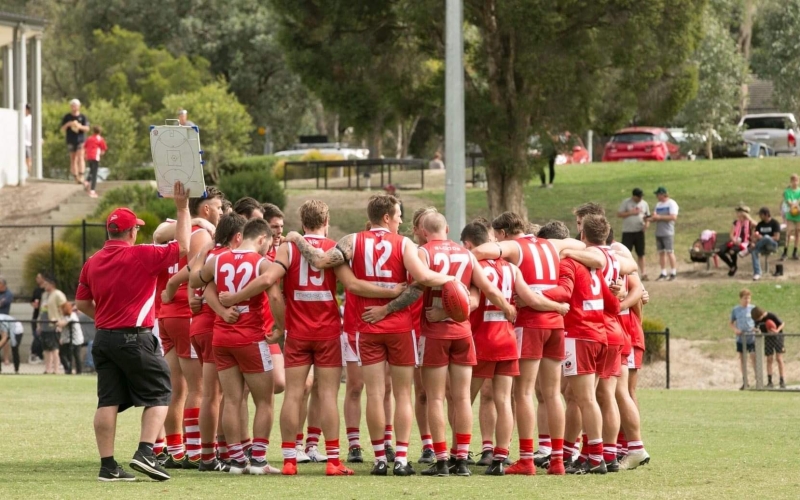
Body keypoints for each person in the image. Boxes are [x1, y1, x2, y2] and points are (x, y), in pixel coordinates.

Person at [285, 194, 456, 477]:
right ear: (387, 217)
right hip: (399, 327)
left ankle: (379, 458)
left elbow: (321, 260)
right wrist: (450, 280)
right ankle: (400, 458)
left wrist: (296, 237)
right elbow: (423, 280)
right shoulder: (405, 244)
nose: (401, 220)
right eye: (399, 215)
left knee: (374, 394)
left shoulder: (352, 240)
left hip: (367, 326)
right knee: (402, 394)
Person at [470, 212, 602, 476]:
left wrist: (486, 254)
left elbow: (480, 252)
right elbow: (594, 254)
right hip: (555, 324)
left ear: (504, 234)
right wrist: (566, 254)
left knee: (523, 393)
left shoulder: (514, 246)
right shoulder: (552, 244)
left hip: (530, 323)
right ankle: (557, 460)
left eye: (498, 236)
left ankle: (527, 459)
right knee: (552, 394)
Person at [76, 180, 190, 482]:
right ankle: (145, 452)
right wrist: (183, 209)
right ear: (131, 232)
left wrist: (104, 316)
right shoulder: (140, 254)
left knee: (107, 401)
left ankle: (108, 466)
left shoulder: (92, 261)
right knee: (161, 391)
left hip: (102, 339)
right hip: (135, 337)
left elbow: (81, 302)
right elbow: (184, 248)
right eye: (136, 228)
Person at [157, 187, 224, 468]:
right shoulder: (202, 235)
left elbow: (160, 232)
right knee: (198, 388)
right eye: (218, 208)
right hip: (185, 312)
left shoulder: (179, 228)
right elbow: (194, 268)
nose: (222, 212)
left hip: (168, 313)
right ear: (206, 209)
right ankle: (195, 452)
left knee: (178, 388)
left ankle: (176, 449)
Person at [617, 188, 650, 279]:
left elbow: (647, 216)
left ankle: (643, 273)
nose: (640, 198)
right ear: (634, 196)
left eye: (641, 197)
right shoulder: (626, 202)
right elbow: (619, 214)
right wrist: (631, 212)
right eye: (638, 197)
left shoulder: (644, 203)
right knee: (625, 253)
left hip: (639, 231)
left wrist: (646, 224)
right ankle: (625, 272)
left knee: (641, 253)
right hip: (628, 232)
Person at [751, 307, 786, 389]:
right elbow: (757, 328)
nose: (758, 320)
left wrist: (777, 330)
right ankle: (770, 381)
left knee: (779, 358)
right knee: (769, 359)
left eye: (759, 317)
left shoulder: (771, 315)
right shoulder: (757, 320)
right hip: (768, 338)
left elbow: (782, 323)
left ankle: (782, 380)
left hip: (778, 337)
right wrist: (755, 330)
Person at [717, 205, 755, 277]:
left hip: (745, 243)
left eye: (739, 212)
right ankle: (732, 265)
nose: (737, 214)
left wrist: (748, 217)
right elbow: (731, 234)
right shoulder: (735, 222)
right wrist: (734, 240)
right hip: (734, 241)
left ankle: (733, 267)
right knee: (719, 251)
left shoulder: (750, 223)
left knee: (732, 252)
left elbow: (756, 225)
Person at [651, 187, 679, 281]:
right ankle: (663, 272)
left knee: (670, 251)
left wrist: (659, 217)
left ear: (663, 194)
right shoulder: (658, 204)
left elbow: (673, 217)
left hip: (668, 231)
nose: (657, 196)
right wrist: (651, 218)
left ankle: (673, 272)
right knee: (661, 253)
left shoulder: (671, 203)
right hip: (659, 231)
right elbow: (655, 217)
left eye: (658, 194)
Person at [730, 289, 756, 390]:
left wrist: (755, 329)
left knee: (753, 357)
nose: (747, 300)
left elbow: (758, 320)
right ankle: (745, 381)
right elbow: (731, 323)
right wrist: (735, 330)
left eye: (749, 298)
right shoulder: (736, 310)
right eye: (745, 298)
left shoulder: (753, 309)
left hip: (751, 337)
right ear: (741, 299)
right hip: (741, 338)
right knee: (742, 359)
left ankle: (758, 379)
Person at [42, 274, 67, 375]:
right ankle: (48, 368)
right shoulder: (44, 295)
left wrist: (61, 321)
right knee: (46, 349)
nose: (44, 285)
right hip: (44, 324)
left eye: (46, 283)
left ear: (52, 284)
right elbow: (42, 310)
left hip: (54, 325)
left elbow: (65, 308)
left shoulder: (58, 294)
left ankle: (56, 369)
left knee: (54, 348)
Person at [60, 99, 90, 184]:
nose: (74, 107)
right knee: (73, 158)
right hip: (70, 139)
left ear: (79, 106)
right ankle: (75, 176)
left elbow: (87, 128)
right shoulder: (67, 117)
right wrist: (68, 124)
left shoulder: (83, 117)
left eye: (76, 105)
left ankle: (81, 175)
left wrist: (79, 126)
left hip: (80, 139)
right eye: (72, 105)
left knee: (80, 157)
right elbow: (62, 128)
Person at [750, 207, 781, 281]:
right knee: (754, 251)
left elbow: (776, 238)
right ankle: (757, 273)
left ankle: (748, 250)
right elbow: (755, 237)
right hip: (762, 246)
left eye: (761, 215)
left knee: (766, 237)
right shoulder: (760, 224)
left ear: (766, 214)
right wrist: (753, 241)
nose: (759, 217)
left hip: (772, 245)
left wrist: (763, 237)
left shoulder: (775, 223)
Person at [57, 301, 85, 375]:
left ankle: (78, 371)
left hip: (76, 339)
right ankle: (68, 369)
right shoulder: (65, 317)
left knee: (76, 355)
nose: (60, 311)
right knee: (62, 354)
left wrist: (57, 322)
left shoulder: (72, 316)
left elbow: (62, 324)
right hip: (67, 339)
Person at [84, 126, 108, 198]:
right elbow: (103, 149)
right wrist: (101, 153)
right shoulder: (100, 139)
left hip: (89, 156)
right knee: (94, 174)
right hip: (95, 157)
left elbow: (85, 146)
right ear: (100, 132)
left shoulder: (89, 138)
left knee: (91, 170)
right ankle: (92, 191)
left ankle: (87, 181)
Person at [781, 174, 800, 261]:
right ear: (791, 181)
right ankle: (785, 251)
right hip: (790, 215)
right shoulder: (787, 192)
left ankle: (795, 251)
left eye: (796, 180)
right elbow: (789, 202)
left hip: (799, 216)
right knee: (788, 233)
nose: (795, 182)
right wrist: (795, 206)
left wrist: (796, 206)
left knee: (797, 233)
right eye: (793, 180)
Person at [30, 273, 45, 363]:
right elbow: (32, 301)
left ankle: (37, 354)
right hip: (36, 316)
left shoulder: (46, 292)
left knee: (40, 337)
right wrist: (34, 305)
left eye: (38, 277)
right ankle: (35, 354)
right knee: (36, 335)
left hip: (44, 317)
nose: (37, 279)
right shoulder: (36, 290)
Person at [0, 276, 12, 366]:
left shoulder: (8, 293)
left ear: (3, 284)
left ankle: (6, 359)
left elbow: (3, 303)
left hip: (4, 318)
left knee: (5, 339)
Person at [24, 104, 32, 175]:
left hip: (30, 142)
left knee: (29, 158)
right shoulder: (21, 118)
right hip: (24, 142)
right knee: (27, 158)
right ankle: (28, 172)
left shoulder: (31, 118)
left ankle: (29, 172)